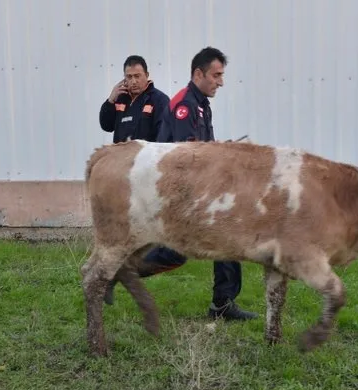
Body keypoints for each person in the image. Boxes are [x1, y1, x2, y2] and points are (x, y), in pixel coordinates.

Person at [104, 47, 257, 322]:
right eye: (216, 75)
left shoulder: (200, 104)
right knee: (176, 252)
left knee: (225, 239)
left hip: (194, 192)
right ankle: (118, 270)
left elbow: (202, 150)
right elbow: (190, 161)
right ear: (199, 74)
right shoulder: (184, 106)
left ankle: (222, 304)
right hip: (178, 194)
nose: (220, 81)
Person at [99, 55, 170, 143]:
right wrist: (110, 101)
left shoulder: (159, 100)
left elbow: (165, 136)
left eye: (137, 76)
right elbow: (106, 126)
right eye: (129, 77)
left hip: (146, 156)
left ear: (147, 75)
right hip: (121, 156)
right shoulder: (119, 98)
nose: (133, 81)